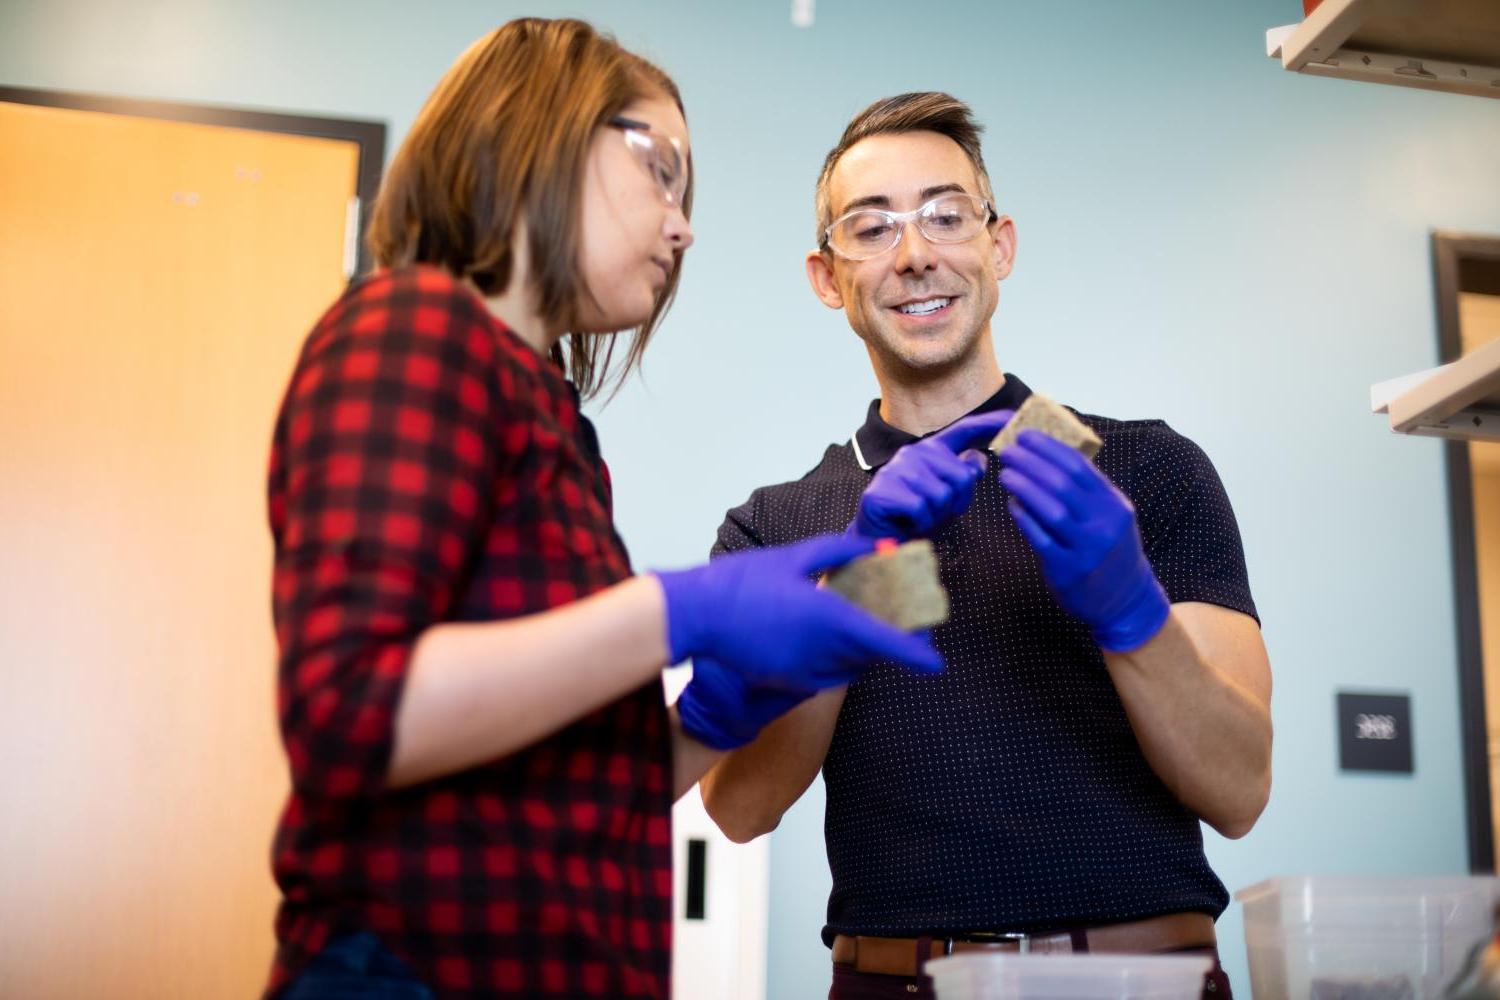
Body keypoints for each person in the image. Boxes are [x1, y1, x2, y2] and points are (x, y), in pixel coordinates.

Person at [262, 22, 946, 999]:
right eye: (659, 170)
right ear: (531, 134)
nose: (683, 224)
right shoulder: (413, 328)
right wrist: (677, 610)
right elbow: (352, 713)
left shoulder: (552, 419)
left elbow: (565, 792)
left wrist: (714, 714)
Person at [699, 92, 1273, 1000]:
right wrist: (858, 590)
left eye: (946, 215)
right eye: (872, 227)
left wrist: (1129, 607)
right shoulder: (779, 525)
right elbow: (738, 806)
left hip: (1139, 980)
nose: (917, 252)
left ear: (998, 245)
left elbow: (1239, 790)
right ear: (826, 276)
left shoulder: (1142, 467)